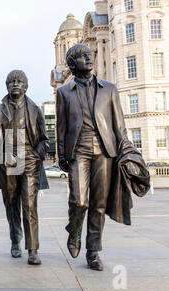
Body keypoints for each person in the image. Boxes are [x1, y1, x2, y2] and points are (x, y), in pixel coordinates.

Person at [55, 44, 128, 271]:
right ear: (72, 63)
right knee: (79, 200)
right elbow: (61, 127)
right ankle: (74, 231)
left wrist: (126, 150)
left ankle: (93, 252)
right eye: (81, 56)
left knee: (98, 204)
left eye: (89, 55)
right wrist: (61, 156)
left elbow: (119, 126)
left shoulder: (109, 89)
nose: (88, 58)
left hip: (105, 151)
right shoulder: (64, 92)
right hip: (79, 150)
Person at [0, 70, 49, 265]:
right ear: (7, 86)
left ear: (26, 86)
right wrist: (2, 154)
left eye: (19, 81)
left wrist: (36, 155)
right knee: (11, 202)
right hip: (7, 159)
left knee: (29, 204)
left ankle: (33, 249)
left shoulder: (35, 110)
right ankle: (15, 240)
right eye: (11, 81)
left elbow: (44, 141)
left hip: (29, 158)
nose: (15, 84)